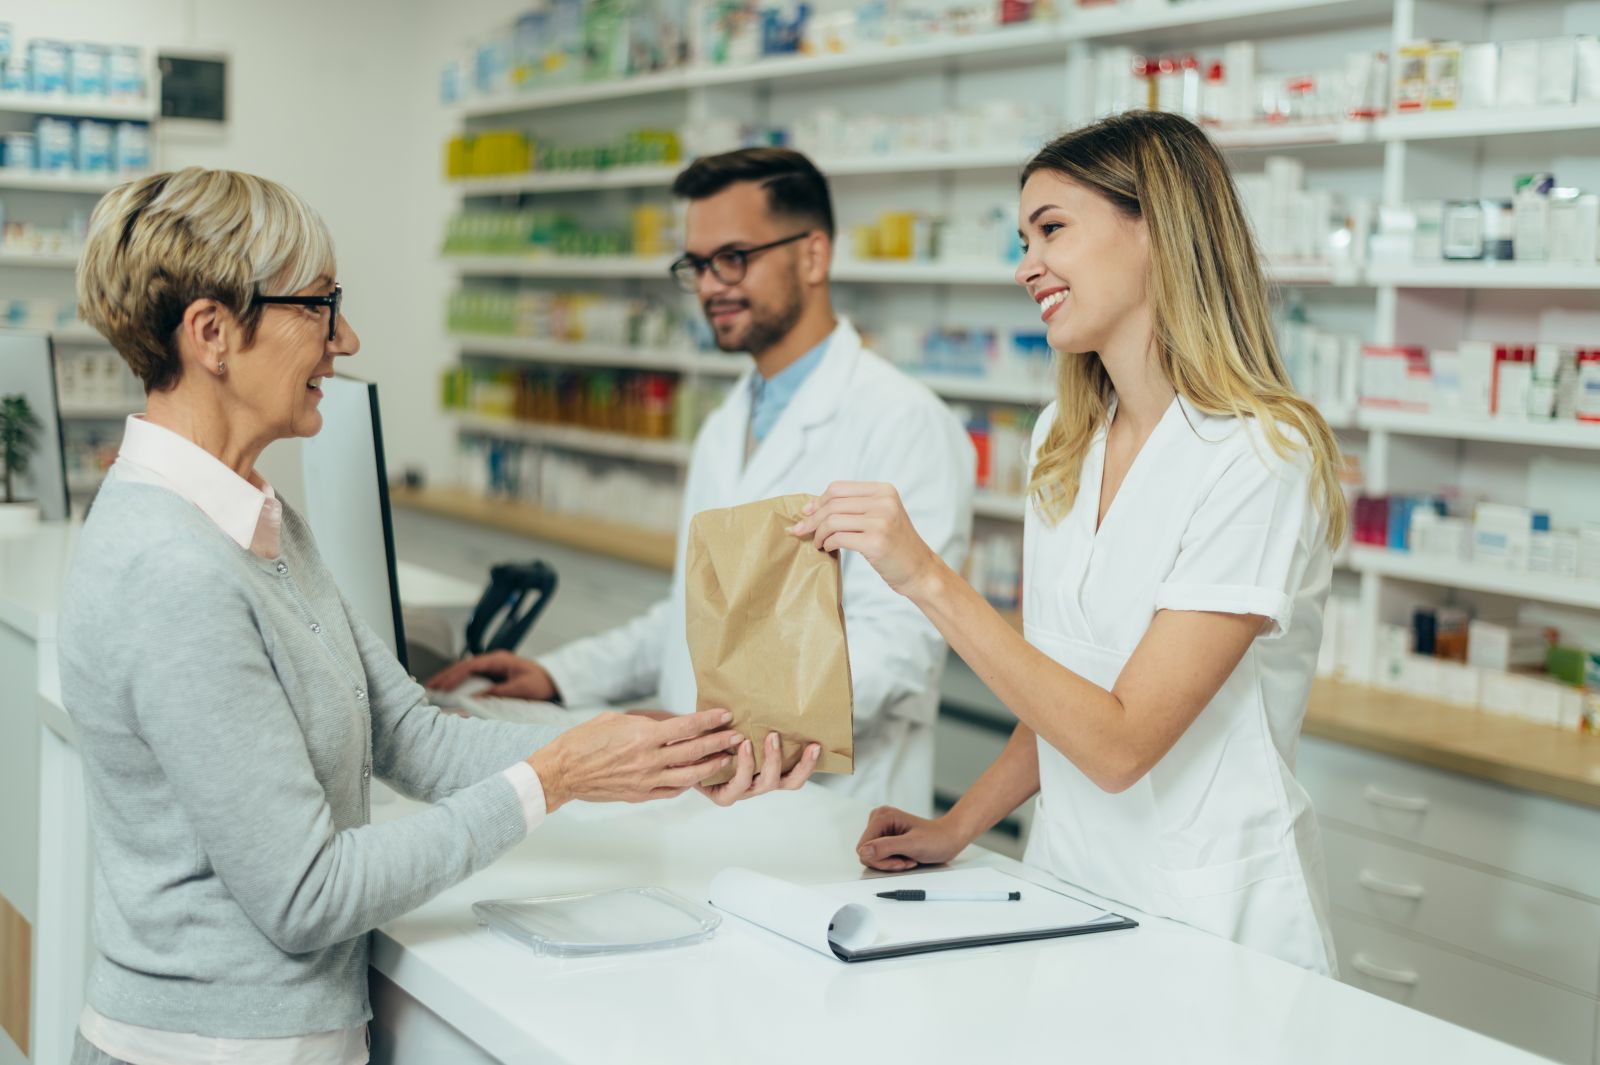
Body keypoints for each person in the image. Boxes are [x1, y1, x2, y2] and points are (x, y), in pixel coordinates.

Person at [61, 167, 760, 1065]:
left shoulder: (253, 516)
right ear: (213, 333)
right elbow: (307, 892)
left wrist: (637, 754)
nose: (345, 338)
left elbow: (412, 737)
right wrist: (550, 779)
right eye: (319, 305)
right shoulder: (171, 568)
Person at [791, 111, 1349, 975]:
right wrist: (956, 827)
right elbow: (1064, 692)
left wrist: (928, 579)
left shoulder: (1259, 452)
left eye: (1052, 229)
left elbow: (1120, 743)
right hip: (1070, 889)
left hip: (1216, 920)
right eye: (1023, 238)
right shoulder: (1067, 436)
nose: (1026, 265)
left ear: (1157, 228)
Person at [429, 148, 975, 814]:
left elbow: (896, 649)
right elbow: (696, 615)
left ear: (813, 256)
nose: (712, 284)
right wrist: (557, 675)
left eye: (734, 257)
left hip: (829, 816)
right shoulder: (726, 423)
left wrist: (716, 733)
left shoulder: (905, 422)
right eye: (697, 264)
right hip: (702, 802)